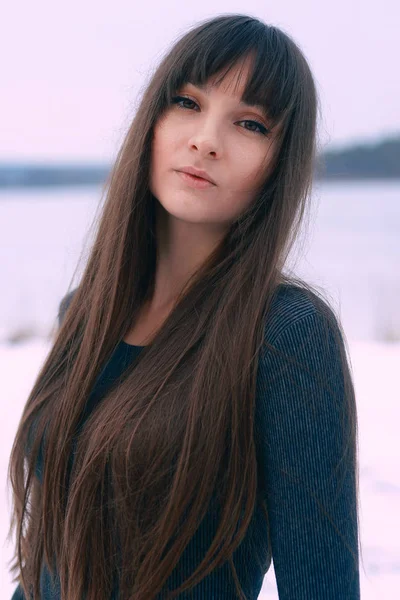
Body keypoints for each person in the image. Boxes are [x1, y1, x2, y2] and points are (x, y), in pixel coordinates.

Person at [7, 13, 361, 600]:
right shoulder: (85, 312)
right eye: (187, 103)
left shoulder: (287, 333)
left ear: (280, 164)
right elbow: (51, 566)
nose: (206, 140)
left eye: (250, 123)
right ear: (152, 120)